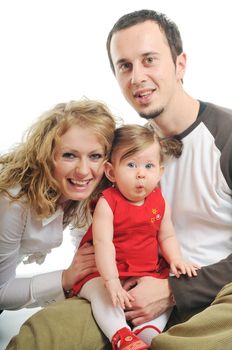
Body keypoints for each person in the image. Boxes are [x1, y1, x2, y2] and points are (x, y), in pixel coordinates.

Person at [6, 9, 232, 350]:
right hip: (125, 288)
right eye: (124, 65)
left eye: (149, 60)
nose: (136, 76)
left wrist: (174, 290)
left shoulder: (225, 136)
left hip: (211, 293)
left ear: (180, 64)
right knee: (44, 334)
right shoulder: (119, 148)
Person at [73, 124, 198, 349]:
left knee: (169, 286)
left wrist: (176, 259)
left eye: (148, 166)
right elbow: (103, 244)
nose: (141, 173)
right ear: (111, 172)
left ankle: (149, 331)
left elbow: (167, 236)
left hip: (146, 269)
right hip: (106, 269)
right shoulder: (108, 203)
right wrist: (111, 281)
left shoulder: (159, 200)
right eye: (131, 165)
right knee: (101, 294)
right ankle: (121, 334)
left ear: (160, 171)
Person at [0, 99, 117, 311]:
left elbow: (87, 244)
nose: (83, 170)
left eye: (95, 156)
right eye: (69, 155)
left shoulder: (87, 192)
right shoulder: (12, 201)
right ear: (47, 156)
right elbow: (1, 291)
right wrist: (65, 278)